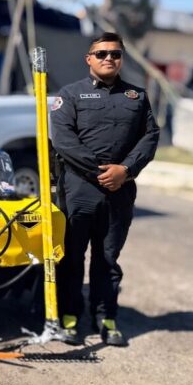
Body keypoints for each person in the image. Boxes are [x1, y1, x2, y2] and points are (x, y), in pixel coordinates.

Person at [50, 32, 159, 346]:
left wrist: (124, 171)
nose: (108, 58)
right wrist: (101, 172)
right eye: (101, 54)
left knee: (108, 259)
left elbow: (150, 138)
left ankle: (106, 318)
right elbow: (63, 139)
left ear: (121, 58)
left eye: (115, 53)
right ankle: (69, 317)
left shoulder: (137, 97)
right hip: (79, 189)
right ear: (89, 59)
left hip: (120, 191)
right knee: (71, 256)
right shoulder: (70, 95)